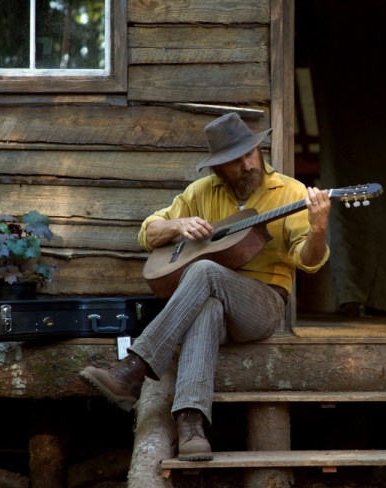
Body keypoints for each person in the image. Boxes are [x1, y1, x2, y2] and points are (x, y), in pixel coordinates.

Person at [79, 112, 331, 461]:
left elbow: (309, 260)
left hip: (263, 304)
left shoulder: (290, 192)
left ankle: (134, 369)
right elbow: (148, 232)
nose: (247, 164)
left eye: (251, 153)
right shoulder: (200, 192)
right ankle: (190, 423)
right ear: (217, 168)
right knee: (207, 307)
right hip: (211, 301)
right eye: (234, 160)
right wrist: (178, 226)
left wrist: (318, 230)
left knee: (204, 271)